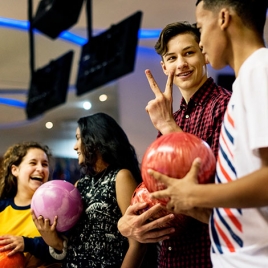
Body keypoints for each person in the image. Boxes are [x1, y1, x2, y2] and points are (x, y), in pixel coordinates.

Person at [148, 1, 268, 267]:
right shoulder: (247, 81)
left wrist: (192, 195)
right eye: (171, 58)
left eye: (200, 28)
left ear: (223, 18)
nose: (202, 43)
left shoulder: (259, 72)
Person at [118, 21, 231, 267]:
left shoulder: (225, 106)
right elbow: (157, 188)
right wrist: (128, 223)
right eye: (172, 57)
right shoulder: (175, 117)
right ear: (164, 66)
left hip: (207, 256)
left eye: (189, 53)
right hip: (170, 258)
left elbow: (216, 188)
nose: (181, 64)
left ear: (205, 55)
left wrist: (168, 125)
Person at [34, 112, 152, 268]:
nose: (75, 146)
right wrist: (51, 238)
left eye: (78, 138)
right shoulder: (80, 185)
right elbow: (74, 243)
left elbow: (137, 243)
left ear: (95, 139)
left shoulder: (120, 177)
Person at [0, 141, 63, 268]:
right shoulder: (1, 208)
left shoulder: (54, 210)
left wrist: (27, 243)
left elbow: (62, 250)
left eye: (45, 164)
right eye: (33, 163)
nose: (40, 169)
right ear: (15, 170)